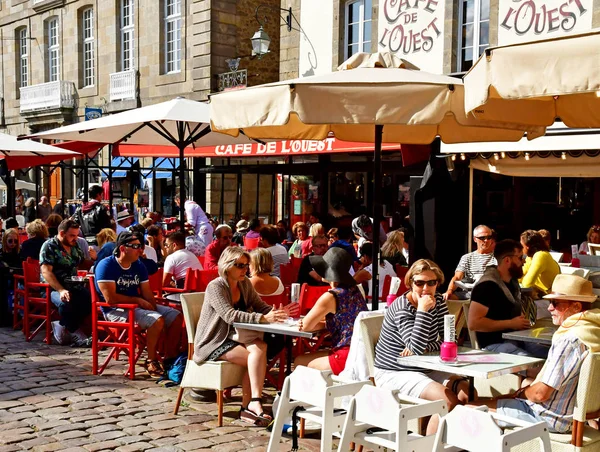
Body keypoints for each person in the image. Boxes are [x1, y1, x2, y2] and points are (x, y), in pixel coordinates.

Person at [473, 274, 600, 434]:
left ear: (576, 307)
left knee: (468, 409)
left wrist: (518, 394)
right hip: (573, 416)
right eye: (549, 302)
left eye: (555, 303)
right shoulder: (593, 331)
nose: (549, 308)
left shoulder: (569, 339)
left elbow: (540, 394)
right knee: (520, 387)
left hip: (549, 418)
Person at [193, 246, 291, 426]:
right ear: (227, 265)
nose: (244, 270)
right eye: (239, 265)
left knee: (261, 347)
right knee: (254, 358)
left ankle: (250, 405)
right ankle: (252, 404)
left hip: (235, 336)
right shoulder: (216, 286)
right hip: (214, 340)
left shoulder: (244, 283)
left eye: (246, 265)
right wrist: (262, 318)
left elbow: (259, 305)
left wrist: (277, 314)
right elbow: (229, 315)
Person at [373, 259, 469, 434]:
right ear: (410, 283)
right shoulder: (402, 307)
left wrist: (428, 346)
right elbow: (417, 347)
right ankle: (429, 445)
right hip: (395, 371)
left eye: (431, 283)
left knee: (466, 393)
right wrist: (422, 311)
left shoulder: (438, 300)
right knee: (447, 401)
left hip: (426, 365)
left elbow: (450, 338)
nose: (426, 288)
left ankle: (449, 442)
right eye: (419, 283)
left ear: (437, 283)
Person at [95, 231, 183, 378]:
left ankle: (170, 358)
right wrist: (138, 301)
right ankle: (151, 360)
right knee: (156, 320)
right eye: (135, 246)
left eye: (140, 246)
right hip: (115, 310)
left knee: (175, 316)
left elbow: (147, 293)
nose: (140, 250)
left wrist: (154, 307)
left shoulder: (138, 265)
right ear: (122, 248)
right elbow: (111, 299)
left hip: (136, 307)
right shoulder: (106, 265)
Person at [468, 239, 547, 358]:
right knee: (535, 366)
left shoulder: (512, 282)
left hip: (518, 338)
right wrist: (511, 323)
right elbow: (474, 323)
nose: (524, 261)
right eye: (520, 257)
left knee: (552, 357)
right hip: (495, 344)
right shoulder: (487, 285)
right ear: (507, 260)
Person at [294, 247, 367, 375]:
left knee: (300, 361)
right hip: (361, 354)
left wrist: (306, 322)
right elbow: (344, 321)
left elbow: (305, 326)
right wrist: (323, 323)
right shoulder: (355, 290)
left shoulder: (331, 296)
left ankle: (311, 395)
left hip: (346, 356)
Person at [40, 219, 93, 346]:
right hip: (52, 288)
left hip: (74, 285)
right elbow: (46, 271)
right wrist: (60, 290)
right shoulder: (49, 246)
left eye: (77, 235)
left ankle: (63, 325)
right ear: (62, 233)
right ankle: (77, 334)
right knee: (66, 303)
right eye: (72, 235)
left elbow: (82, 263)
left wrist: (95, 258)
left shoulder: (74, 246)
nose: (76, 238)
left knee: (89, 299)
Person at [443, 224, 497, 300]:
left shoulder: (498, 257)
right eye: (482, 238)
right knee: (446, 298)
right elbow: (457, 277)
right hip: (469, 293)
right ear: (475, 239)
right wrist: (449, 291)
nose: (486, 240)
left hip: (491, 293)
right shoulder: (467, 257)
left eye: (489, 237)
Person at [520, 229, 560, 297]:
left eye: (521, 246)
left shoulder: (541, 255)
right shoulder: (530, 257)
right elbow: (519, 276)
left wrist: (524, 279)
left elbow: (527, 284)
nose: (521, 249)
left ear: (527, 247)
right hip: (541, 295)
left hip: (550, 299)